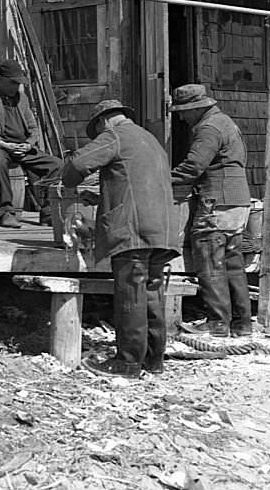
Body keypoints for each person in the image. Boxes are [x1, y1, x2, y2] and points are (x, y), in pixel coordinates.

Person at [61, 100, 181, 379]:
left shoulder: (114, 135)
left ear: (103, 121)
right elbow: (135, 182)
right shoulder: (149, 139)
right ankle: (153, 360)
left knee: (130, 293)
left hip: (133, 229)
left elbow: (76, 165)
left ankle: (127, 363)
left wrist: (68, 179)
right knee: (151, 292)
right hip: (162, 228)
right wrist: (104, 196)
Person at [170, 84, 252, 337]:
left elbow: (193, 167)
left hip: (217, 200)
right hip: (238, 200)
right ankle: (242, 323)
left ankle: (217, 322)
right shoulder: (226, 122)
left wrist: (160, 179)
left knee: (210, 260)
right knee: (232, 263)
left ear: (196, 108)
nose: (182, 117)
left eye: (183, 112)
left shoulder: (208, 129)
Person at [0, 59, 60, 228]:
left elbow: (33, 128)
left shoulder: (22, 98)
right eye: (13, 82)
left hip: (21, 147)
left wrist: (28, 143)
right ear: (1, 79)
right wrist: (4, 144)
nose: (16, 87)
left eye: (19, 83)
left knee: (55, 164)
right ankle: (5, 212)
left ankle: (48, 212)